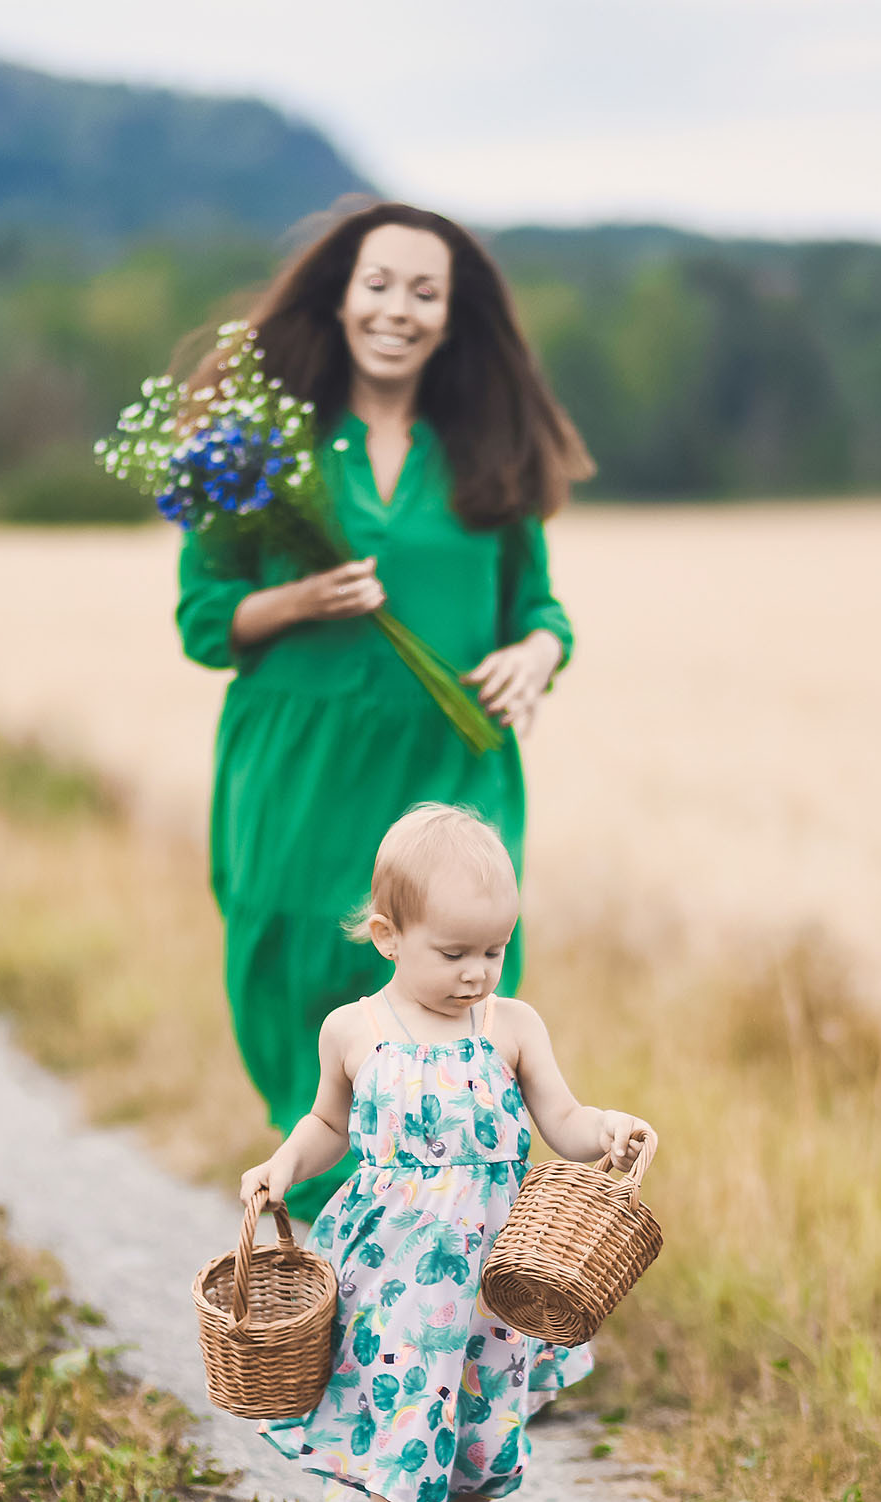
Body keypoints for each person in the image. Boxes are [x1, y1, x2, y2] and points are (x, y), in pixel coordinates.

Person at [176, 199, 591, 1219]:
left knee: (460, 1029)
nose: (397, 307)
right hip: (298, 773)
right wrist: (301, 599)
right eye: (378, 283)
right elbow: (202, 618)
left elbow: (538, 608)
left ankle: (447, 1284)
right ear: (340, 295)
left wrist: (536, 656)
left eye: (424, 290)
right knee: (297, 1005)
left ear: (452, 318)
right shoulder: (264, 445)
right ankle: (338, 1260)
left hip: (450, 781)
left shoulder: (490, 452)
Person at [239, 805, 656, 1502]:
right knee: (405, 1410)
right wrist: (284, 1164)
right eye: (455, 953)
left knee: (486, 1424)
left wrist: (607, 1126)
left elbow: (562, 1121)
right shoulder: (354, 1031)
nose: (477, 973)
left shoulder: (513, 1026)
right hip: (395, 1271)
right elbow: (326, 1125)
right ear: (390, 935)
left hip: (496, 1275)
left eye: (495, 951)